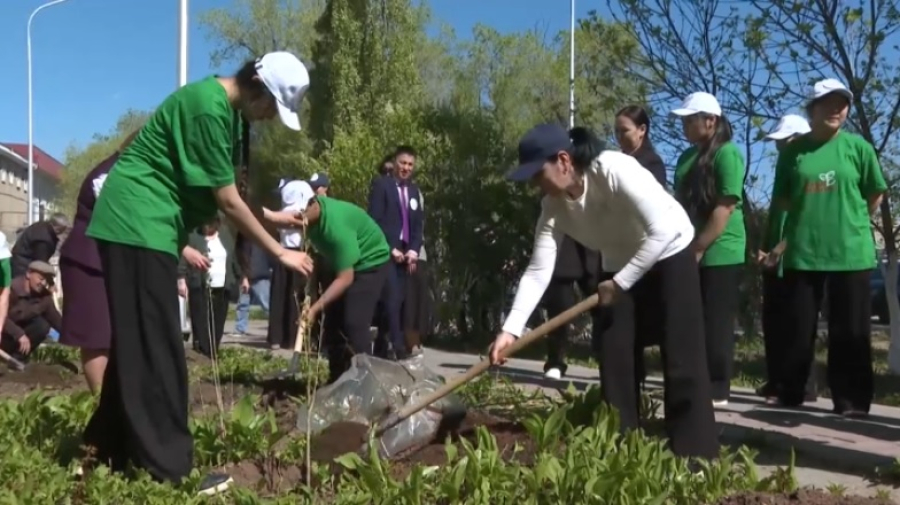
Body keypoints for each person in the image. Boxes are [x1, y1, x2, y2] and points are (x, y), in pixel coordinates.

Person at [80, 51, 315, 495]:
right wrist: (278, 252)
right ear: (259, 89)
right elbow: (227, 203)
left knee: (139, 343)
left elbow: (225, 196)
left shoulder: (222, 111)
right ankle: (170, 472)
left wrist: (272, 219)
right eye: (272, 108)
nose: (268, 119)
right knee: (160, 347)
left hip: (148, 225)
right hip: (136, 221)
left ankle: (102, 449)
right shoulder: (209, 107)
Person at [490, 124, 719, 461]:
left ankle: (695, 454)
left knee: (682, 355)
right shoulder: (553, 207)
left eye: (537, 174)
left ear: (564, 160)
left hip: (671, 253)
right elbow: (539, 271)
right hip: (620, 267)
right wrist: (510, 329)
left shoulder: (614, 169)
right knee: (614, 354)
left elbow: (663, 231)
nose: (534, 184)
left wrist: (622, 282)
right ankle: (622, 449)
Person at [769, 78, 887, 417]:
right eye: (828, 103)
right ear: (812, 109)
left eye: (842, 103)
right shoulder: (793, 152)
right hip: (804, 252)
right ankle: (791, 392)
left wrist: (851, 219)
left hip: (851, 253)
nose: (836, 109)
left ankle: (851, 402)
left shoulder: (858, 148)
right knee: (798, 328)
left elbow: (874, 192)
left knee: (851, 330)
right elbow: (784, 201)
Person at [264, 195, 395, 383]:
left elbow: (345, 278)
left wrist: (314, 310)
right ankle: (337, 379)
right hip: (345, 263)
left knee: (354, 322)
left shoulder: (336, 231)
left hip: (371, 263)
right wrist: (264, 214)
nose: (300, 226)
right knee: (332, 321)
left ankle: (368, 382)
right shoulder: (311, 214)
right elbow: (290, 220)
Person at [671, 92, 747, 406]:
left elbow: (725, 207)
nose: (685, 126)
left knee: (716, 319)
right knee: (691, 317)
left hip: (721, 249)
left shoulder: (727, 154)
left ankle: (718, 386)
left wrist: (700, 246)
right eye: (684, 120)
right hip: (689, 245)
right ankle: (695, 378)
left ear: (711, 121)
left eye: (691, 120)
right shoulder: (686, 158)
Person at [58, 132, 139, 394]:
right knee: (97, 336)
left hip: (107, 263)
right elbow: (126, 216)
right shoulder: (109, 175)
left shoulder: (126, 172)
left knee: (113, 335)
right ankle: (100, 400)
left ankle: (113, 400)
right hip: (87, 262)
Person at [756, 114, 817, 404]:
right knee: (775, 321)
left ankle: (801, 385)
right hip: (774, 258)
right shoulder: (784, 165)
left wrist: (782, 248)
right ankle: (777, 380)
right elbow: (777, 215)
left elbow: (808, 219)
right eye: (779, 142)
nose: (781, 146)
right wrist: (766, 248)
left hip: (798, 256)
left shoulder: (809, 168)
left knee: (799, 323)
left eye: (786, 140)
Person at [367, 145, 423, 360]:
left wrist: (414, 251)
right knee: (391, 297)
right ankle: (399, 347)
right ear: (395, 163)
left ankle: (380, 347)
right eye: (403, 163)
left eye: (410, 164)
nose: (406, 168)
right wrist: (390, 249)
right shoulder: (382, 186)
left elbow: (418, 226)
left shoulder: (414, 191)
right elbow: (374, 221)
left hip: (406, 255)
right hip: (386, 251)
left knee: (397, 301)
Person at [179, 215, 242, 358]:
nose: (206, 227)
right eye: (204, 224)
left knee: (218, 322)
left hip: (222, 286)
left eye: (210, 224)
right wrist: (181, 280)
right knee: (200, 321)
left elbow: (232, 258)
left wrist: (242, 278)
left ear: (217, 223)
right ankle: (201, 352)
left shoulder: (225, 235)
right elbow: (184, 259)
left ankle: (213, 353)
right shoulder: (193, 236)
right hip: (199, 285)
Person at [539, 234, 601, 380]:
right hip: (565, 235)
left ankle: (610, 360)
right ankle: (555, 361)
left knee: (605, 301)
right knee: (559, 299)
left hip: (598, 233)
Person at [266, 179, 315, 350]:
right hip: (290, 253)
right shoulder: (290, 211)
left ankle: (284, 337)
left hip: (293, 253)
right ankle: (283, 337)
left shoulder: (292, 211)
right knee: (289, 297)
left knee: (289, 297)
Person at [0, 261, 61, 362]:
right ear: (28, 274)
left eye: (47, 280)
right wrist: (19, 334)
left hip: (18, 340)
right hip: (3, 335)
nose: (43, 283)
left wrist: (75, 337)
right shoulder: (11, 289)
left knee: (43, 326)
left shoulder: (44, 297)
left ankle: (17, 360)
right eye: (41, 279)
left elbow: (56, 320)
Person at [614, 105, 667, 187]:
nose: (619, 136)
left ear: (642, 130)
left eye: (625, 130)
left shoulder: (653, 163)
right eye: (617, 131)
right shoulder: (615, 161)